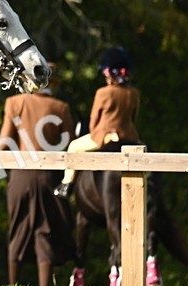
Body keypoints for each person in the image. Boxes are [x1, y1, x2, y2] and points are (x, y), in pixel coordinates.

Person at [0, 65, 75, 286]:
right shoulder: (61, 108)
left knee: (18, 227)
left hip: (21, 176)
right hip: (49, 177)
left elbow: (3, 142)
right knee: (45, 231)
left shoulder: (15, 103)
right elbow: (70, 145)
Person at [55, 46, 140, 197]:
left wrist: (95, 133)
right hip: (129, 136)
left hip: (105, 135)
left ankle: (66, 184)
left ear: (110, 74)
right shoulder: (133, 93)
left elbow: (94, 120)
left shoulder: (103, 92)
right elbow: (133, 118)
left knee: (73, 147)